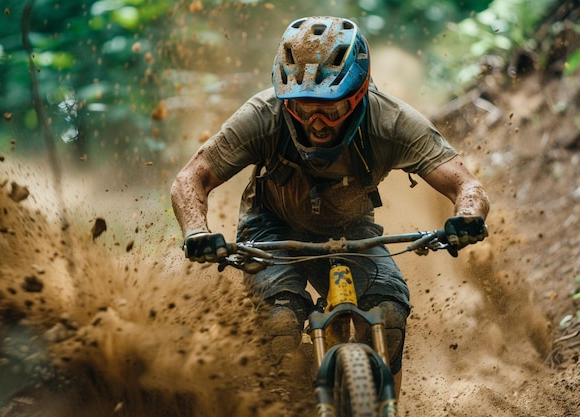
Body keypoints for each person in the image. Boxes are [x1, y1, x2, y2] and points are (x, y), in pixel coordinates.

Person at [170, 16, 489, 395]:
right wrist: (196, 230)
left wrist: (467, 217)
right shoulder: (263, 114)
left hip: (352, 230)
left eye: (330, 109)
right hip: (271, 229)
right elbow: (191, 178)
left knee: (388, 317)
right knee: (280, 325)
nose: (315, 123)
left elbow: (465, 184)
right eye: (302, 107)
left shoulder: (392, 121)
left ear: (357, 95)